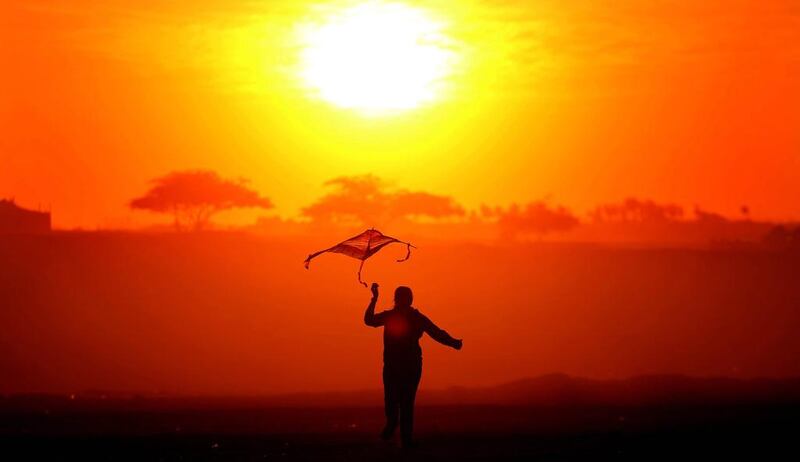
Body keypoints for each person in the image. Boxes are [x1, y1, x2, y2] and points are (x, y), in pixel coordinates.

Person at [364, 283, 462, 448]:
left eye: (405, 298)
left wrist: (453, 342)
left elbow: (435, 332)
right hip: (395, 366)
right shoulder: (393, 316)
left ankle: (405, 439)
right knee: (394, 401)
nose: (404, 301)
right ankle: (394, 425)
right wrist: (374, 299)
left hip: (409, 366)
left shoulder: (415, 317)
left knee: (405, 402)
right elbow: (369, 321)